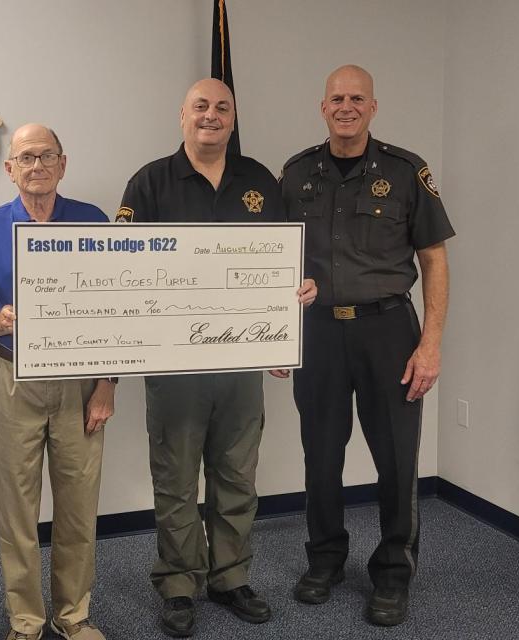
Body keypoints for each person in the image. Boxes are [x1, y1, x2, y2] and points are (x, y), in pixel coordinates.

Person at [118, 78, 317, 637]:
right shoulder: (150, 182)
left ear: (233, 118)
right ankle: (179, 583)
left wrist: (287, 319)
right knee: (176, 477)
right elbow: (123, 269)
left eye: (222, 108)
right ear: (182, 115)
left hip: (240, 365)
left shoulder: (259, 181)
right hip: (174, 366)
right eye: (200, 106)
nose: (211, 116)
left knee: (237, 474)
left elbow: (281, 264)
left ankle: (230, 577)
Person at [277, 65, 455, 626]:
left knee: (398, 459)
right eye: (337, 98)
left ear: (373, 107)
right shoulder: (296, 173)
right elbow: (274, 258)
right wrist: (277, 333)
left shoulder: (406, 171)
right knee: (321, 455)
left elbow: (434, 261)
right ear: (322, 106)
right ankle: (325, 559)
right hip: (320, 331)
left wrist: (430, 344)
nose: (346, 106)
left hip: (388, 331)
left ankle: (393, 573)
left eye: (357, 98)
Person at [0, 123, 115, 640]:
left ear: (63, 165)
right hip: (13, 377)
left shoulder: (92, 221)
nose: (37, 166)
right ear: (10, 169)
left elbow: (119, 311)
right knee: (17, 505)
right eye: (26, 157)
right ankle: (25, 621)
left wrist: (107, 385)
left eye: (47, 156)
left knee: (78, 502)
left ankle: (73, 616)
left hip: (81, 380)